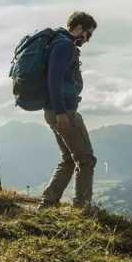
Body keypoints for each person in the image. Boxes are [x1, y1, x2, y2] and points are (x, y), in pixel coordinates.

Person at [40, 11, 97, 209]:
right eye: (88, 34)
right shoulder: (64, 45)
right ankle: (82, 207)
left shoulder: (58, 43)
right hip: (64, 111)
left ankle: (48, 202)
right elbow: (53, 80)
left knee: (68, 159)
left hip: (54, 110)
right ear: (78, 28)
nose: (87, 40)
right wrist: (61, 112)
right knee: (86, 159)